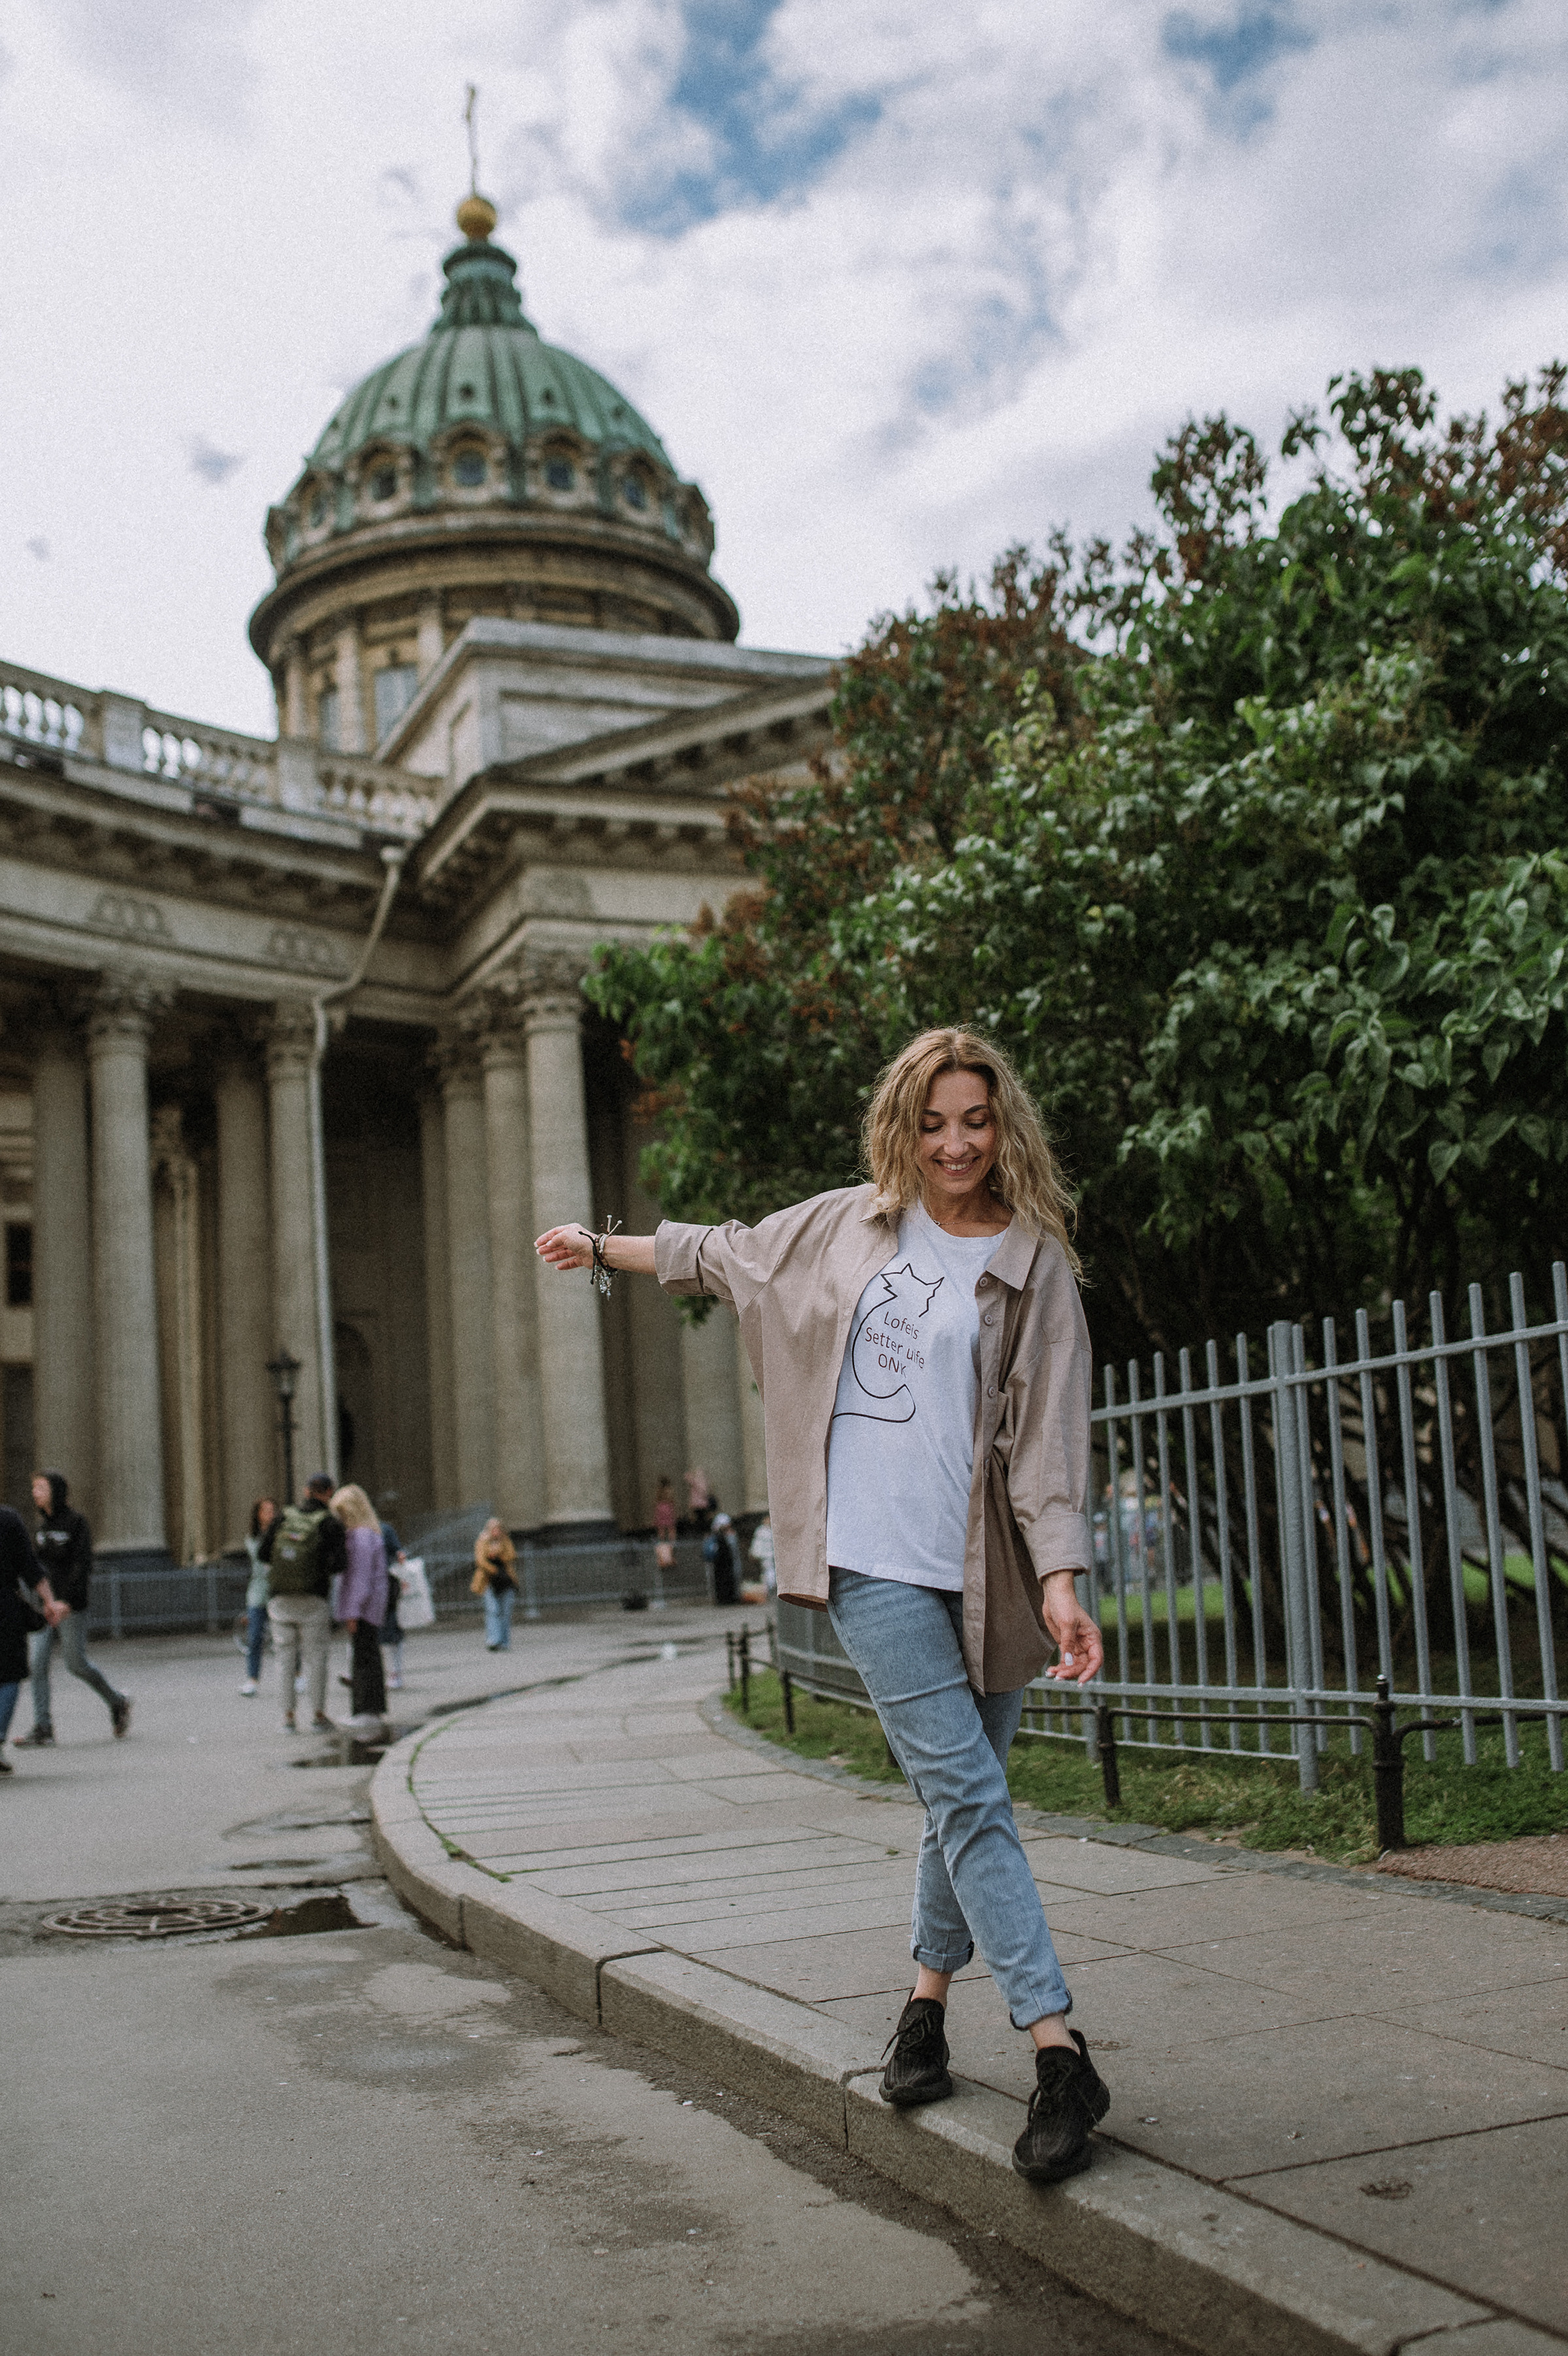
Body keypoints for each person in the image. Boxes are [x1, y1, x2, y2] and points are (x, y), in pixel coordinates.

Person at [536, 1025, 1111, 2185]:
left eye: (976, 1120)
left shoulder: (1035, 1258)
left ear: (1006, 1128)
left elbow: (1049, 1434)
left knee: (963, 1800)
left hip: (982, 1567)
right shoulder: (849, 1224)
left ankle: (922, 2011)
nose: (954, 1143)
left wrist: (1059, 1577)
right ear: (902, 1125)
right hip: (866, 1560)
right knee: (968, 1793)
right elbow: (726, 1255)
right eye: (933, 1121)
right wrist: (604, 1246)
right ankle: (1059, 2050)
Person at [20, 1471, 130, 1745]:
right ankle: (43, 1727)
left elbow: (82, 1565)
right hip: (45, 1606)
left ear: (55, 1491)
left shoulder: (76, 1523)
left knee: (76, 1663)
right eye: (34, 1488)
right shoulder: (40, 1527)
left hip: (71, 1606)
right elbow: (37, 1567)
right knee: (38, 1663)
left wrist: (67, 1601)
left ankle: (117, 1702)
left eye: (41, 1488)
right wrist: (42, 1599)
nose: (36, 1493)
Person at [260, 1474, 346, 1733]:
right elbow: (341, 1563)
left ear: (306, 1491)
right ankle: (318, 1716)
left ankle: (288, 1718)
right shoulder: (330, 1523)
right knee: (316, 1658)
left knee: (284, 1658)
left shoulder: (282, 1518)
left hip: (280, 1599)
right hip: (314, 1599)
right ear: (330, 1492)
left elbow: (264, 1554)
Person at [0, 1504, 57, 1768]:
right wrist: (49, 1601)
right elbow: (30, 1566)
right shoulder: (9, 1520)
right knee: (9, 1675)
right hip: (5, 1608)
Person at [331, 1484, 388, 1719]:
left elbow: (360, 1580)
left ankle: (366, 1710)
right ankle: (371, 1709)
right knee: (368, 1655)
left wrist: (352, 1612)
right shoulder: (370, 1534)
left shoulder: (359, 1537)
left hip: (363, 1608)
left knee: (363, 1658)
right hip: (371, 1606)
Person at [240, 1498, 276, 1697]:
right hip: (258, 1591)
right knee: (254, 1637)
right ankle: (252, 1679)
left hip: (278, 1590)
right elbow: (259, 1558)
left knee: (285, 1636)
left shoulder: (280, 1534)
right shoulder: (252, 1538)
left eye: (273, 1511)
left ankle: (297, 1675)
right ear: (258, 1515)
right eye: (266, 1511)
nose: (270, 1514)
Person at [472, 1518, 517, 1651]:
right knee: (493, 1611)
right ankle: (493, 1640)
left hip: (506, 1581)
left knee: (505, 1612)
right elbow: (480, 1560)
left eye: (498, 1529)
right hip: (488, 1581)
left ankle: (504, 1641)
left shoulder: (505, 1541)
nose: (496, 1532)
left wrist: (498, 1552)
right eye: (493, 1529)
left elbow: (512, 1556)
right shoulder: (483, 1541)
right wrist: (494, 1570)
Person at [378, 1518, 406, 1691]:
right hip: (375, 1586)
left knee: (391, 1629)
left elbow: (398, 1551)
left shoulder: (384, 1529)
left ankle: (396, 1672)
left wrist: (400, 1556)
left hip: (387, 1584)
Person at [749, 1513, 776, 1597]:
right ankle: (769, 1589)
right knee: (768, 1573)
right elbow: (757, 1544)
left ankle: (771, 1589)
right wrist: (755, 1553)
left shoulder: (771, 1530)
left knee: (771, 1573)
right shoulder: (761, 1531)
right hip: (765, 1556)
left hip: (772, 1556)